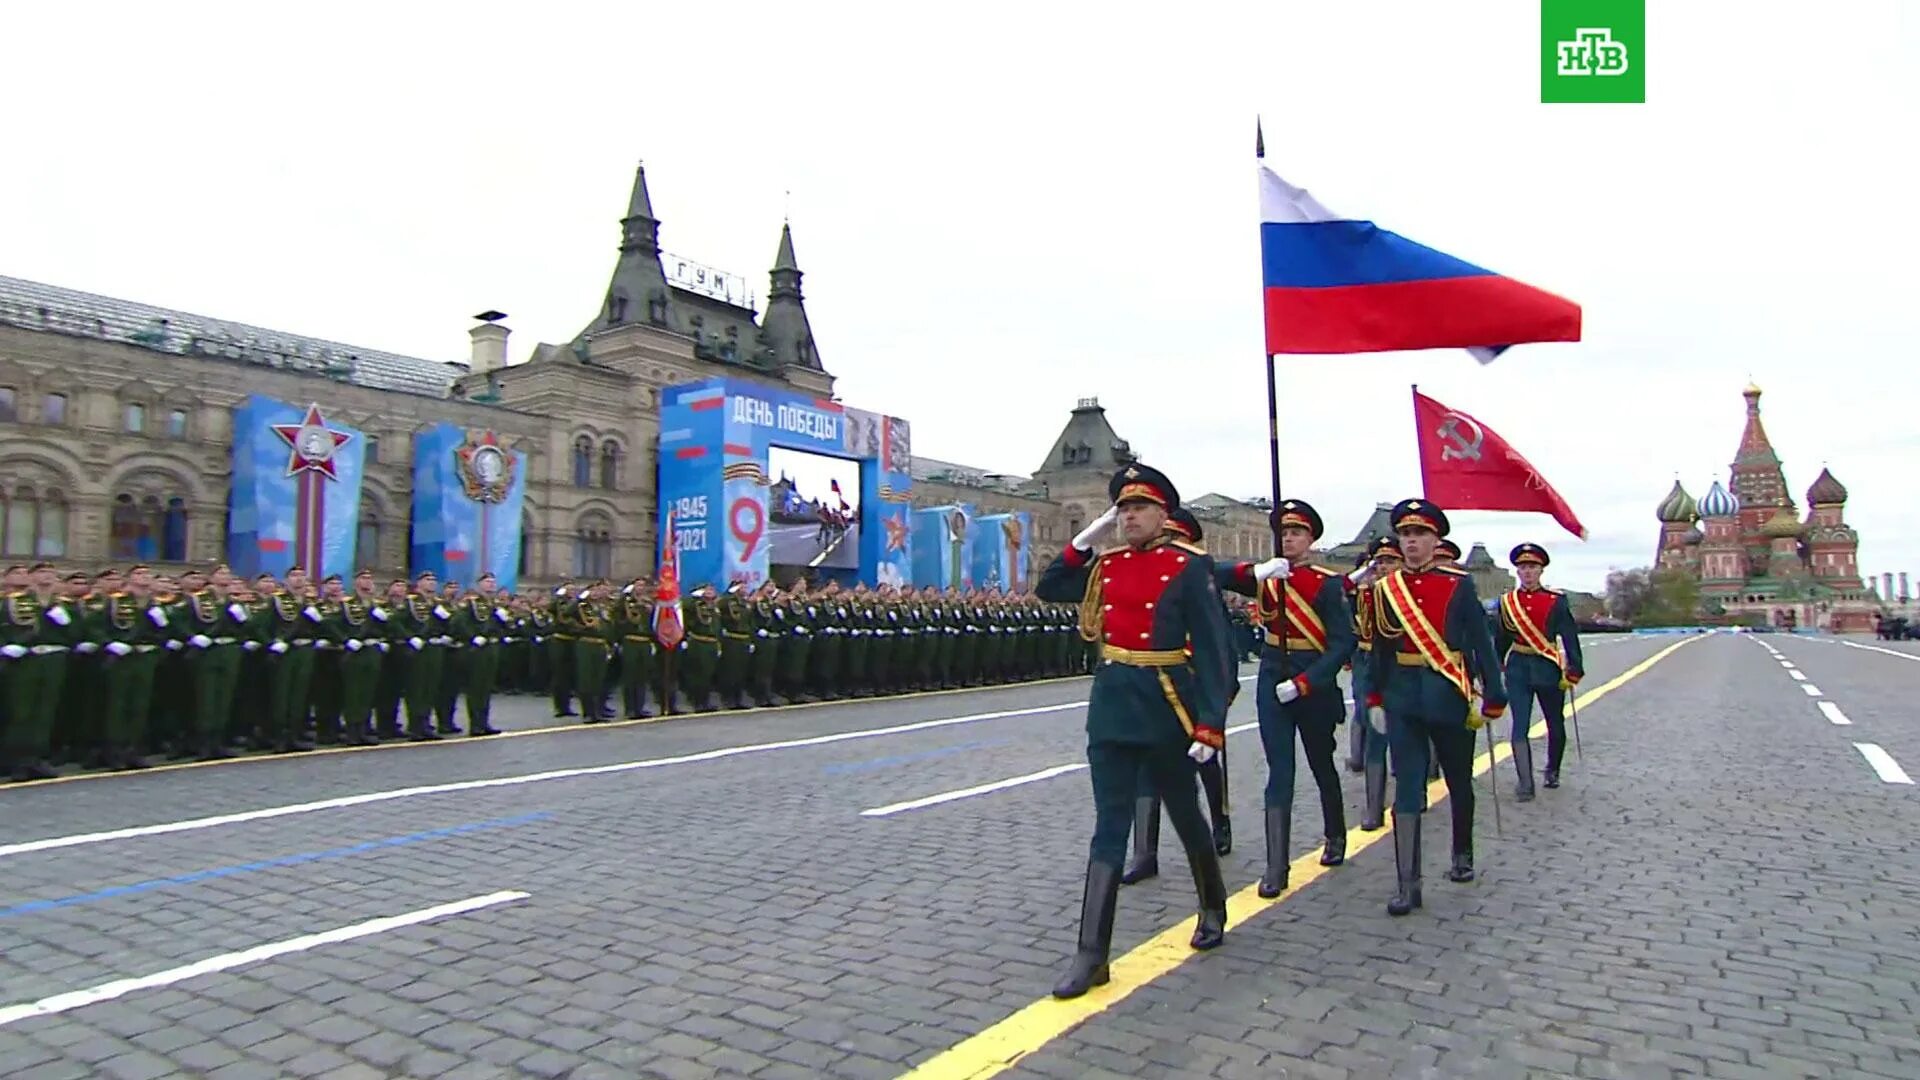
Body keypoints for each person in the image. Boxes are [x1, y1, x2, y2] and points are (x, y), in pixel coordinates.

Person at [1036, 463, 1232, 999]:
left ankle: (1212, 904)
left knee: (1186, 812)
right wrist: (1082, 541)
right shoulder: (1109, 564)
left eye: (1138, 508)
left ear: (1163, 514)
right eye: (1122, 509)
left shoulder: (1189, 567)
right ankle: (1091, 955)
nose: (1128, 517)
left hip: (1167, 706)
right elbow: (1049, 587)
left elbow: (1216, 654)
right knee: (1110, 825)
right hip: (1114, 706)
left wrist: (1211, 724)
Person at [1362, 499, 1507, 917]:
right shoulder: (1385, 589)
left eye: (1420, 536)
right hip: (1403, 695)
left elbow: (1480, 641)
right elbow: (1380, 649)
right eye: (1406, 536)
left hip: (1448, 692)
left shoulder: (1458, 583)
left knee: (1459, 779)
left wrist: (1494, 694)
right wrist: (1373, 697)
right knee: (1407, 786)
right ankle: (1408, 883)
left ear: (1435, 540)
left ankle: (1462, 852)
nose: (1412, 543)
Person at [1217, 499, 1356, 897]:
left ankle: (1335, 833)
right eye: (1284, 533)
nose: (1289, 538)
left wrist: (1307, 682)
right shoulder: (1268, 577)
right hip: (1272, 675)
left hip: (1311, 680)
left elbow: (1343, 642)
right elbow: (1211, 573)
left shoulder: (1326, 584)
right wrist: (1256, 571)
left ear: (1310, 539)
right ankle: (1276, 865)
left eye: (1297, 533)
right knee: (1280, 770)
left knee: (1319, 763)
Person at [1119, 506, 1236, 885]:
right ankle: (1144, 853)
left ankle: (1220, 823)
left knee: (1205, 763)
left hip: (1194, 689)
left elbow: (1221, 647)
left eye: (1175, 538)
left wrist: (1218, 701)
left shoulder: (1199, 579)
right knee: (1143, 771)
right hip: (1155, 688)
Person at [1496, 543, 1585, 796]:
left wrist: (1574, 668)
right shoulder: (1507, 603)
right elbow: (1501, 639)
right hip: (1518, 669)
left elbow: (1569, 635)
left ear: (1541, 570)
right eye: (1523, 567)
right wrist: (1493, 667)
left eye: (1532, 567)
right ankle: (1525, 782)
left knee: (1554, 722)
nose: (1527, 572)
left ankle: (1553, 770)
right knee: (1519, 724)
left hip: (1547, 667)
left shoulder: (1555, 600)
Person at [1347, 536, 1401, 829]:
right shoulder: (1364, 593)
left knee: (1406, 734)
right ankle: (1373, 807)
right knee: (1374, 733)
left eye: (1391, 561)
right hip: (1369, 665)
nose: (1384, 567)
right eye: (1380, 562)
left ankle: (1414, 792)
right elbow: (1338, 594)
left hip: (1403, 667)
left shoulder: (1409, 595)